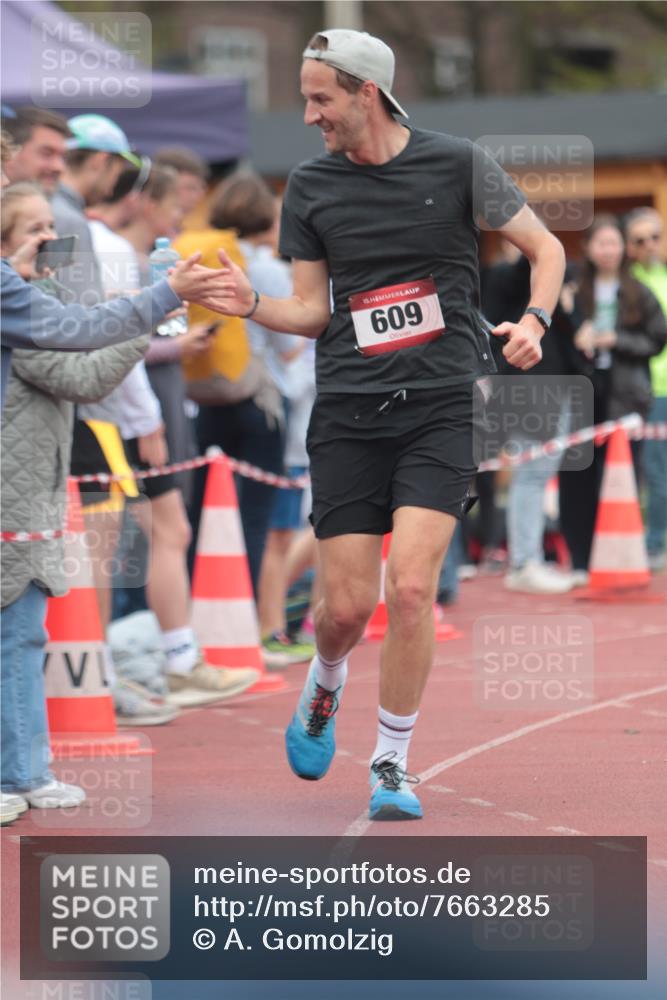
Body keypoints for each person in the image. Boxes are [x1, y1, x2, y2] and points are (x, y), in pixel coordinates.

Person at [205, 29, 565, 821]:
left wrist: (534, 319)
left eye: (320, 98)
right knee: (342, 609)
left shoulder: (458, 163)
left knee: (409, 587)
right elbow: (307, 308)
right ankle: (324, 685)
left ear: (367, 93)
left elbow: (544, 249)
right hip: (348, 413)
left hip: (441, 406)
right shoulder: (309, 185)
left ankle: (392, 762)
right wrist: (250, 304)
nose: (308, 115)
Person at [1, 183, 178, 819]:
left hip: (26, 489)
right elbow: (81, 372)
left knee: (21, 633)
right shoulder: (19, 309)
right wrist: (152, 309)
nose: (51, 241)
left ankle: (24, 771)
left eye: (52, 226)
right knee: (17, 633)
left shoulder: (25, 298)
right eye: (33, 229)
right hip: (12, 495)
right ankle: (18, 774)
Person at [558, 214, 667, 578]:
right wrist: (576, 325)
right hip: (582, 389)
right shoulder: (573, 289)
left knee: (623, 475)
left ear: (623, 248)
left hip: (625, 392)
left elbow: (656, 339)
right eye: (600, 243)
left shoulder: (638, 290)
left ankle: (625, 555)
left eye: (614, 242)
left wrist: (615, 340)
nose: (608, 250)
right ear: (588, 248)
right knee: (577, 475)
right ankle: (580, 559)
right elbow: (559, 338)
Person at [625, 207, 667, 572]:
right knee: (656, 471)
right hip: (652, 389)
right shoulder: (628, 285)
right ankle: (655, 544)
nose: (650, 245)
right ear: (630, 247)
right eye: (640, 240)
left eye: (655, 236)